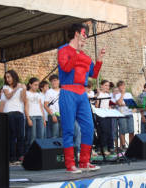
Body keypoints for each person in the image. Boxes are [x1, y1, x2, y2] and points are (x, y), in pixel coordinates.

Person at [58, 23, 105, 173]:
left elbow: (94, 74)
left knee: (89, 128)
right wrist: (76, 53)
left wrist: (99, 60)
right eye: (84, 35)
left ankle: (84, 162)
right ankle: (70, 164)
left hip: (81, 93)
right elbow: (65, 68)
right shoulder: (63, 50)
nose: (85, 38)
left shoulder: (85, 56)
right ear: (77, 34)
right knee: (69, 129)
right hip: (68, 91)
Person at [1, 70, 26, 163]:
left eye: (9, 77)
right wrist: (16, 88)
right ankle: (12, 157)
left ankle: (20, 156)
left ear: (14, 77)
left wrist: (23, 89)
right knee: (12, 135)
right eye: (6, 77)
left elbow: (23, 99)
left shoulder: (20, 86)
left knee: (21, 135)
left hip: (19, 112)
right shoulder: (5, 87)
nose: (7, 79)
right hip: (9, 113)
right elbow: (8, 96)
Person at [25, 77, 45, 150]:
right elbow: (26, 106)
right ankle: (29, 154)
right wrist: (28, 118)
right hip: (31, 116)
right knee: (32, 137)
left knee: (41, 136)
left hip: (39, 116)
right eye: (35, 85)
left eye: (38, 85)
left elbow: (40, 106)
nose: (37, 87)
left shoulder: (38, 94)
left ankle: (39, 153)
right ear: (30, 85)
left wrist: (43, 118)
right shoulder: (26, 93)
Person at [95, 80, 113, 155]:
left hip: (107, 114)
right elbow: (96, 106)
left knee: (109, 131)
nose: (107, 87)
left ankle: (110, 147)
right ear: (101, 86)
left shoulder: (108, 95)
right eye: (105, 85)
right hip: (101, 115)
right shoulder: (99, 95)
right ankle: (103, 148)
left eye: (108, 86)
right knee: (103, 132)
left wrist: (110, 108)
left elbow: (108, 105)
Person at [115, 80, 135, 150]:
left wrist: (125, 104)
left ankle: (131, 146)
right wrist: (122, 94)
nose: (122, 87)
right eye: (120, 86)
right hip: (121, 115)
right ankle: (123, 146)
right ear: (118, 87)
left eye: (123, 85)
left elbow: (132, 104)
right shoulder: (117, 95)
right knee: (122, 130)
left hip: (129, 114)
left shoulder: (129, 94)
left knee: (131, 130)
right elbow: (119, 103)